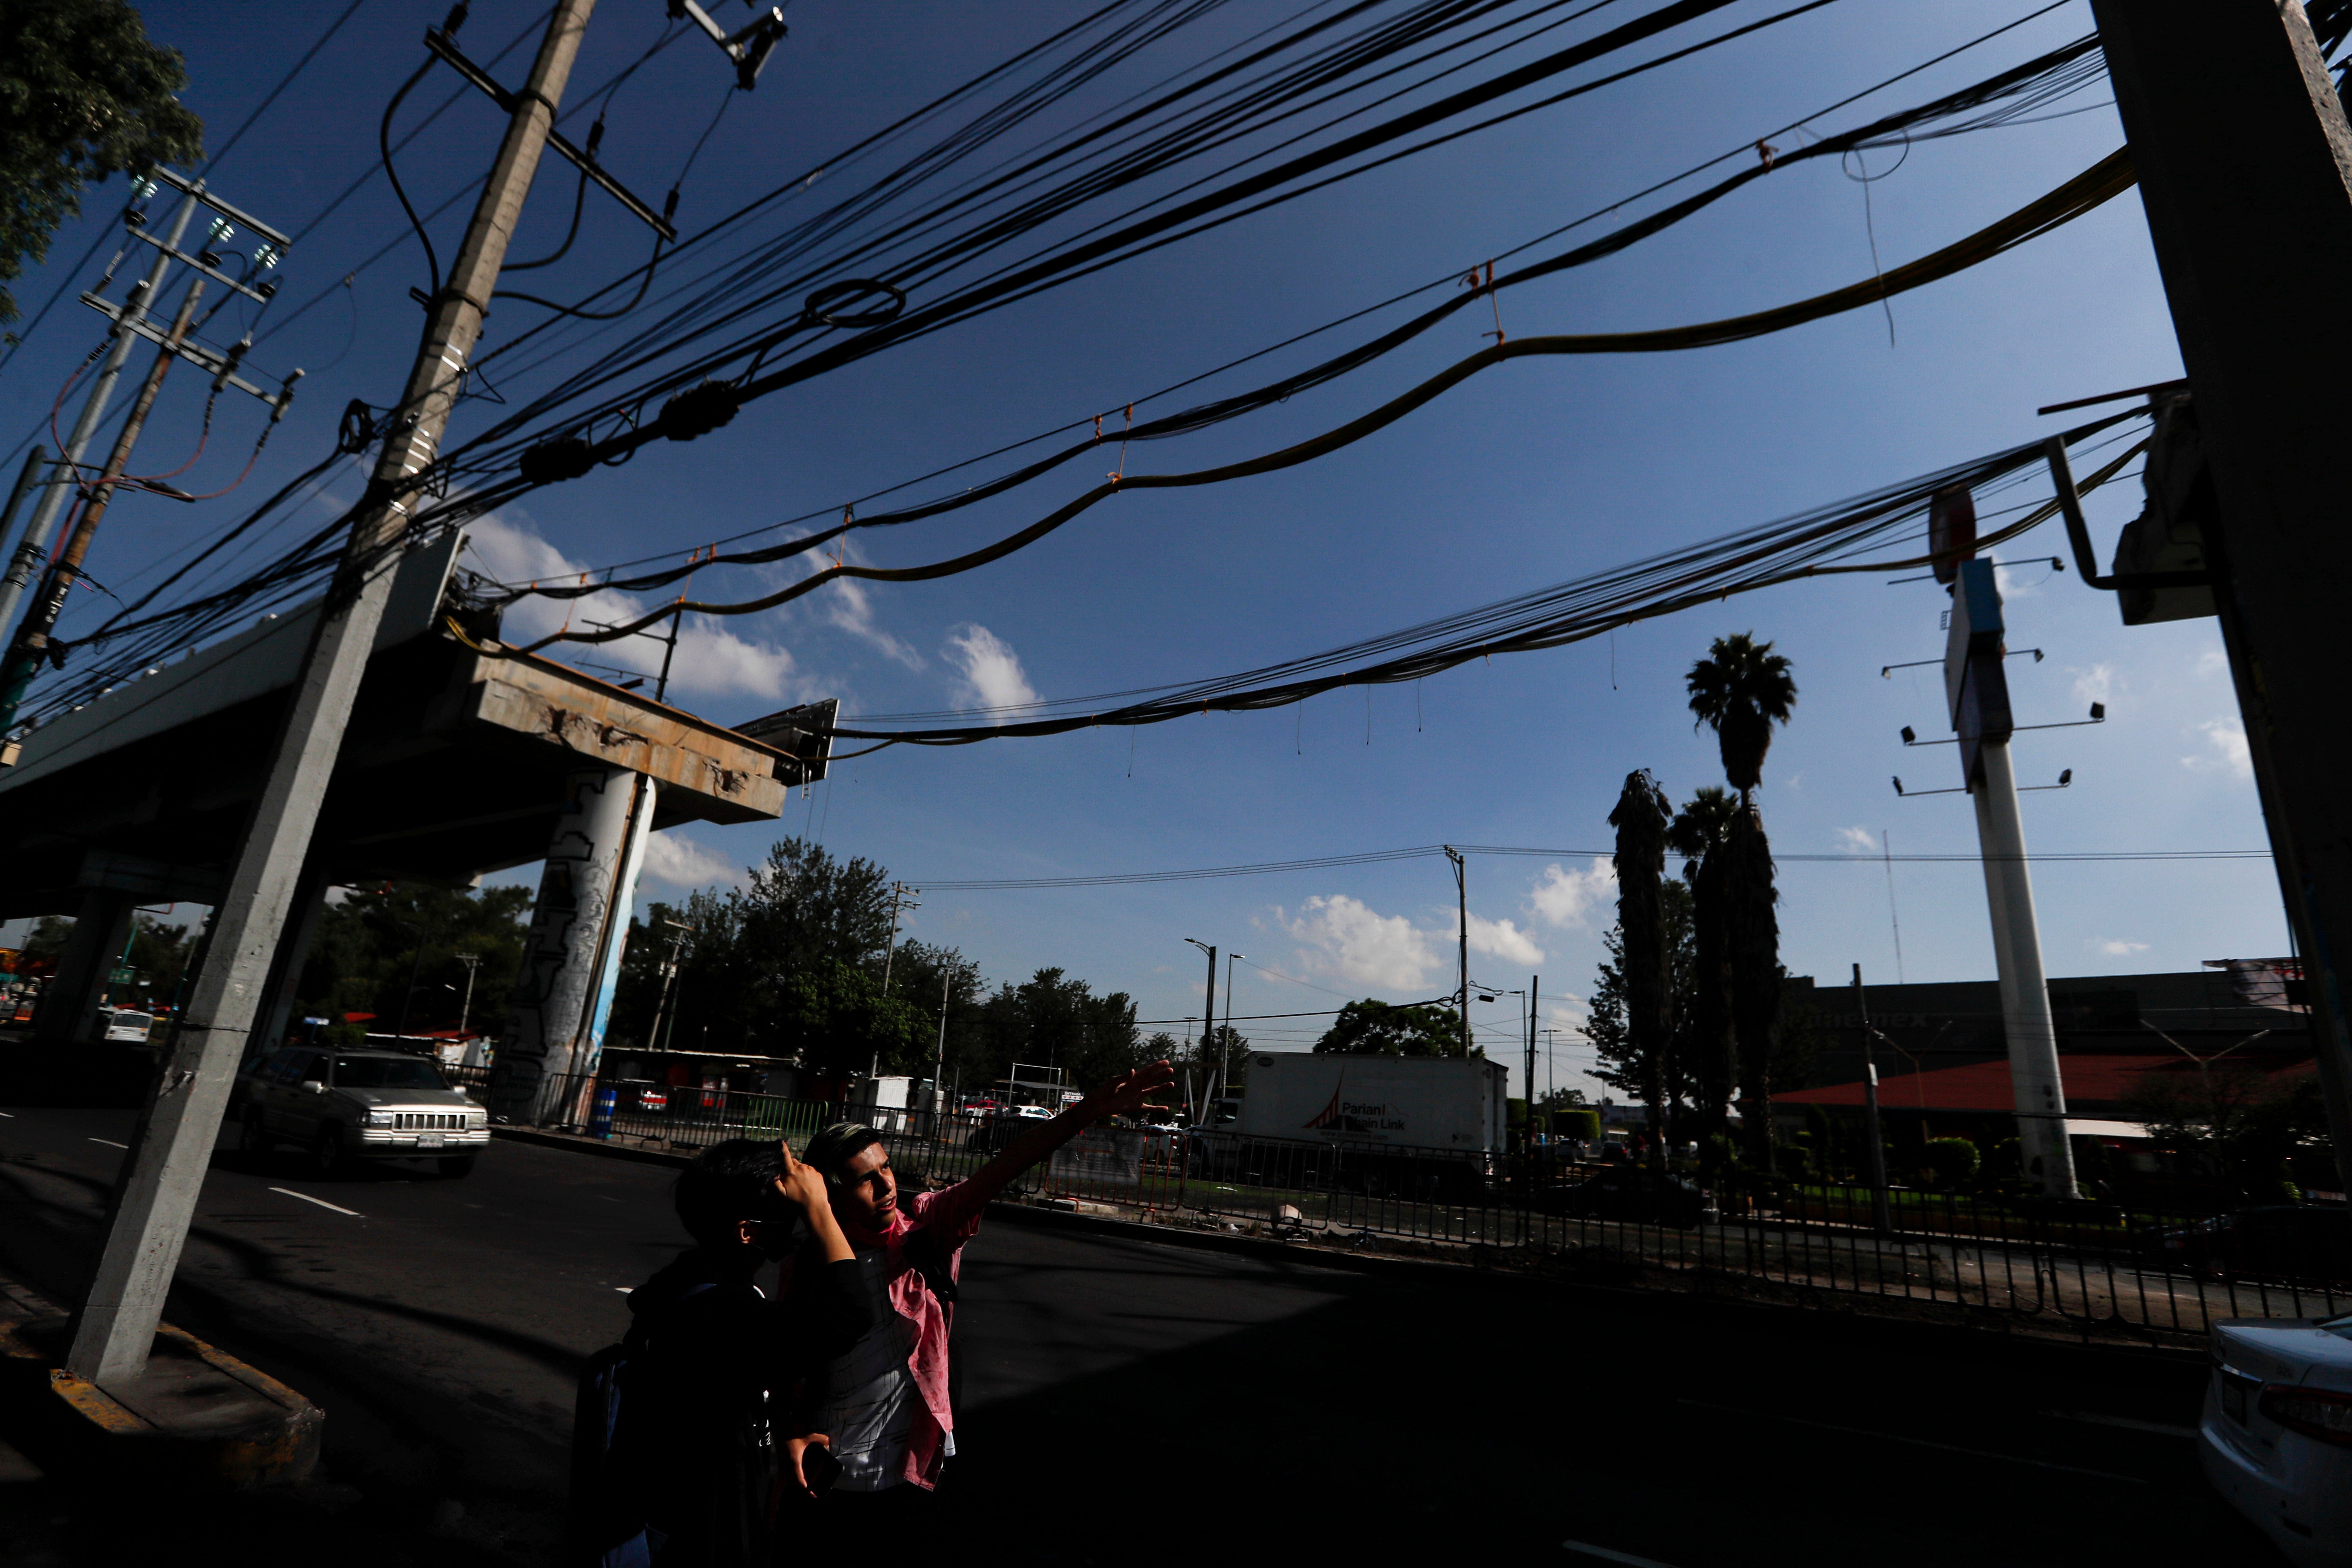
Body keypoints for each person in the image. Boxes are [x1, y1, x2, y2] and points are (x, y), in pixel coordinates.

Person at [779, 1061, 1176, 1519]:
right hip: (829, 1477)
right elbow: (791, 1363)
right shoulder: (808, 1265)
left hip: (908, 1473)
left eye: (886, 1168)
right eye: (865, 1178)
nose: (886, 1184)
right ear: (830, 1193)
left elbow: (1001, 1169)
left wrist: (1085, 1113)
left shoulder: (925, 1233)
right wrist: (791, 1426)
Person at [601, 1137, 872, 1566]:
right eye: (787, 1212)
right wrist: (820, 1210)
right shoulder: (726, 1312)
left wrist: (778, 1431)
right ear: (748, 1232)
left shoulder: (685, 1284)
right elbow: (851, 1315)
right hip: (701, 1532)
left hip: (682, 1505)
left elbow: (737, 1378)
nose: (795, 1222)